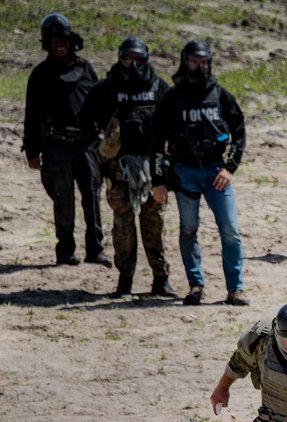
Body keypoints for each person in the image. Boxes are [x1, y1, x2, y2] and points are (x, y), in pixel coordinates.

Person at [151, 40, 248, 306]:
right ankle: (196, 286)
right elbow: (156, 140)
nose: (200, 67)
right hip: (184, 173)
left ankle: (235, 289)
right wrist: (158, 180)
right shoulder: (173, 98)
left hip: (217, 172)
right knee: (188, 228)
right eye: (195, 62)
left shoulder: (220, 95)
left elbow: (239, 131)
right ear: (184, 61)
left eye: (204, 62)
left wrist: (230, 168)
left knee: (230, 230)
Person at [82, 37, 177, 298]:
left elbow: (175, 124)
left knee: (154, 224)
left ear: (145, 60)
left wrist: (170, 164)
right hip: (118, 171)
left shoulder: (159, 88)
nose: (131, 65)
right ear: (119, 58)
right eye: (126, 58)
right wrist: (99, 148)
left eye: (137, 59)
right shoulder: (107, 88)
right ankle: (125, 281)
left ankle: (161, 279)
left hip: (153, 172)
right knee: (123, 227)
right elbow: (85, 119)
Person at [22, 13, 111, 268]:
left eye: (62, 39)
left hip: (86, 145)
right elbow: (32, 115)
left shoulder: (85, 69)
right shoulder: (40, 75)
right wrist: (32, 151)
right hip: (56, 145)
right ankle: (65, 251)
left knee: (92, 196)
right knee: (63, 199)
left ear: (70, 40)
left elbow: (101, 105)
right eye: (53, 40)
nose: (58, 44)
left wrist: (107, 140)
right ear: (47, 43)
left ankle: (95, 249)